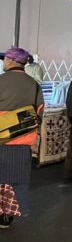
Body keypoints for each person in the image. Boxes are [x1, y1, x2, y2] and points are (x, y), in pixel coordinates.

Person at [0, 47, 44, 229]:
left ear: (11, 61)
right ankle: (6, 216)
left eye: (5, 59)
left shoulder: (1, 81)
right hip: (22, 141)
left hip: (1, 137)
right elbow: (40, 112)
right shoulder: (34, 85)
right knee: (15, 179)